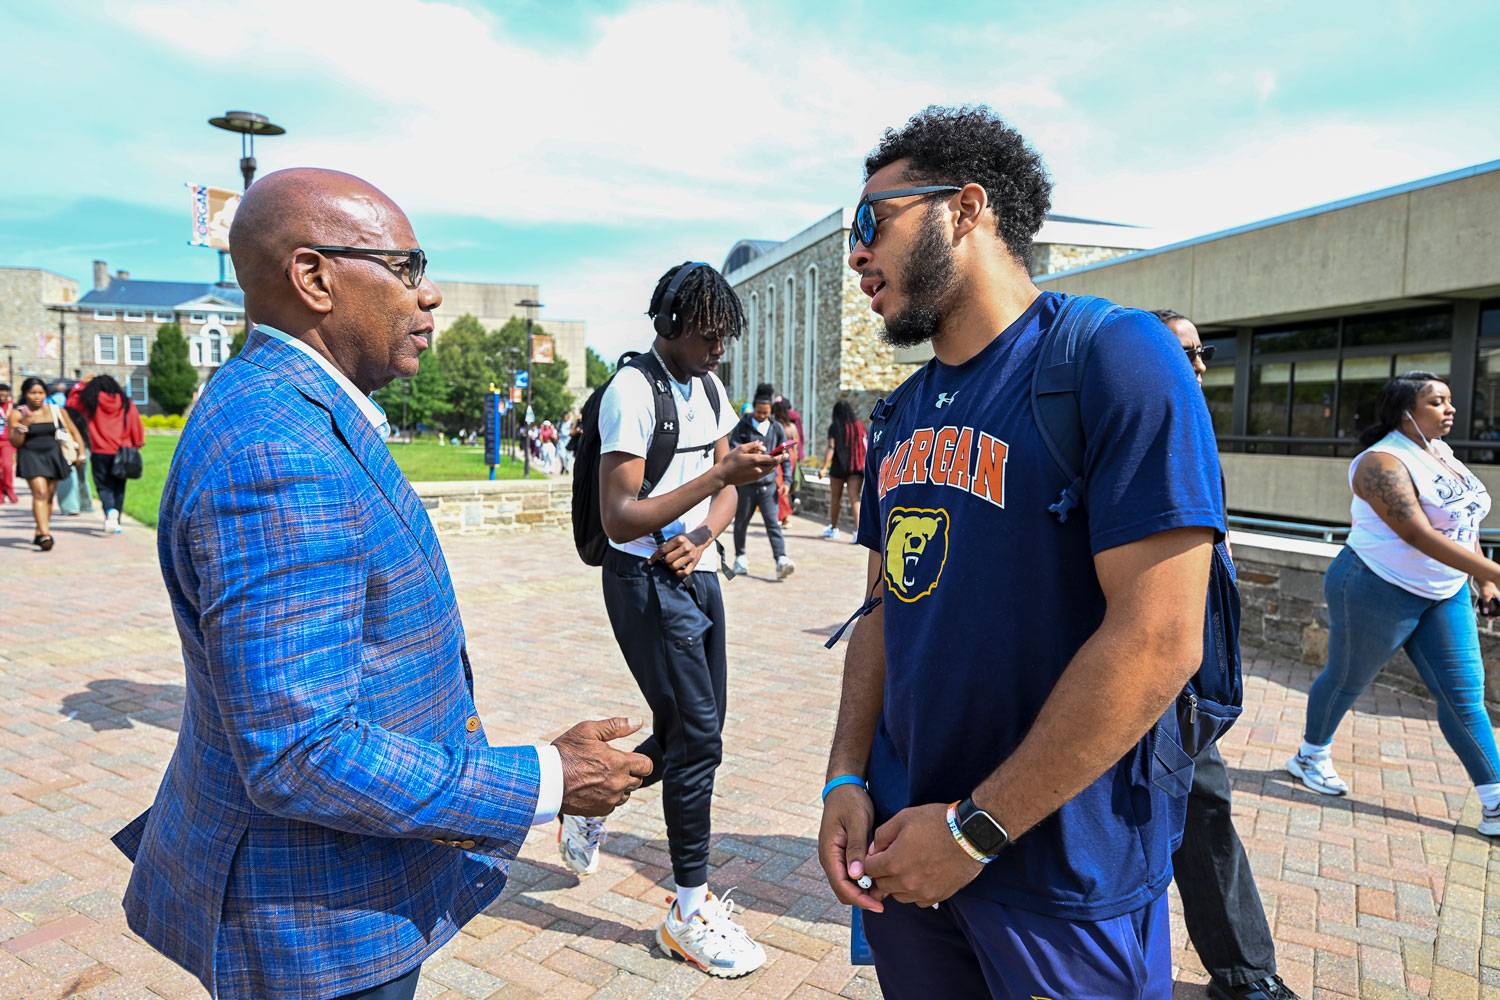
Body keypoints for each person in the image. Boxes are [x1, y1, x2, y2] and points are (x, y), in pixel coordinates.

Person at [110, 168, 652, 1000]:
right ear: (314, 277)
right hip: (316, 921)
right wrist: (545, 777)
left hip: (337, 887)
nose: (428, 295)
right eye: (406, 268)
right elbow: (300, 750)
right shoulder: (278, 453)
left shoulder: (293, 408)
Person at [817, 106, 1223, 999]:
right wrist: (846, 774)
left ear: (966, 209)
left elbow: (1159, 638)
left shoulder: (1116, 360)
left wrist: (972, 832)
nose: (856, 254)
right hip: (906, 850)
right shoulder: (901, 412)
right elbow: (885, 607)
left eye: (870, 222)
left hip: (1056, 873)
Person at [582, 261, 783, 979]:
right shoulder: (632, 392)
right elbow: (619, 516)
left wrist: (702, 536)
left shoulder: (709, 385)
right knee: (698, 739)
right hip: (639, 578)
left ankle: (590, 796)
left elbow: (727, 485)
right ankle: (688, 910)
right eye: (707, 336)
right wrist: (716, 482)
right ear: (669, 326)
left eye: (724, 337)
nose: (718, 350)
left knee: (696, 734)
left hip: (691, 572)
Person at [1152, 310, 1299, 1000]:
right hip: (1139, 658)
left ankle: (1243, 972)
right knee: (1190, 800)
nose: (1201, 365)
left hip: (1189, 664)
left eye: (1203, 352)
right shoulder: (1127, 421)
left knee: (1202, 803)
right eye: (1187, 351)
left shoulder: (1193, 425)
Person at [1287, 370, 1500, 839]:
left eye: (1450, 400)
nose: (1451, 410)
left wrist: (1483, 580)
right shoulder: (1379, 463)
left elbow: (1462, 523)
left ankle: (1495, 802)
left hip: (1445, 592)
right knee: (1347, 680)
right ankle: (1309, 756)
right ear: (1407, 413)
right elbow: (1417, 533)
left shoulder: (1440, 452)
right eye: (1438, 402)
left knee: (1465, 697)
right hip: (1375, 585)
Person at [7, 376, 86, 551]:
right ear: (25, 394)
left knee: (49, 497)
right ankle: (45, 534)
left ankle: (39, 531)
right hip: (30, 456)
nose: (37, 396)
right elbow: (15, 442)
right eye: (32, 392)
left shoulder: (56, 410)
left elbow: (74, 432)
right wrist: (23, 426)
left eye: (40, 392)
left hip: (53, 456)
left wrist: (81, 453)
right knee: (40, 493)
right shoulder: (18, 413)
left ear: (46, 393)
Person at [729, 383, 795, 579]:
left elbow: (786, 456)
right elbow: (733, 449)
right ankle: (740, 557)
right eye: (759, 412)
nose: (762, 416)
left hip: (769, 487)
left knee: (773, 524)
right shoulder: (743, 425)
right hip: (746, 486)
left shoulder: (776, 428)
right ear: (753, 407)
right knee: (741, 523)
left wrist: (788, 481)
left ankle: (781, 559)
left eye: (765, 413)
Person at [76, 374, 145, 535]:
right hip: (123, 451)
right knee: (119, 487)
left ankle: (110, 511)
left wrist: (81, 384)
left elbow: (71, 403)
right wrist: (137, 442)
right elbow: (136, 423)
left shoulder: (91, 403)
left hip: (100, 450)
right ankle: (116, 520)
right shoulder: (126, 403)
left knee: (103, 485)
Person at [820, 399, 865, 542]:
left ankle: (834, 529)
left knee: (835, 498)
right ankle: (858, 532)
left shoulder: (835, 426)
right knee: (855, 499)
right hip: (856, 468)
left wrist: (824, 467)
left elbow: (831, 448)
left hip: (838, 467)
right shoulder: (859, 426)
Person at [771, 398, 800, 524]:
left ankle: (784, 516)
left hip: (779, 457)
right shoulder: (792, 427)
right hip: (792, 456)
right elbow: (797, 443)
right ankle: (782, 515)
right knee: (784, 486)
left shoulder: (776, 426)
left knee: (780, 486)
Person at [0, 383, 17, 504]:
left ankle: (9, 489)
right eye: (0, 395)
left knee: (7, 466)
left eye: (5, 396)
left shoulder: (12, 406)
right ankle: (0, 492)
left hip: (7, 441)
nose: (3, 398)